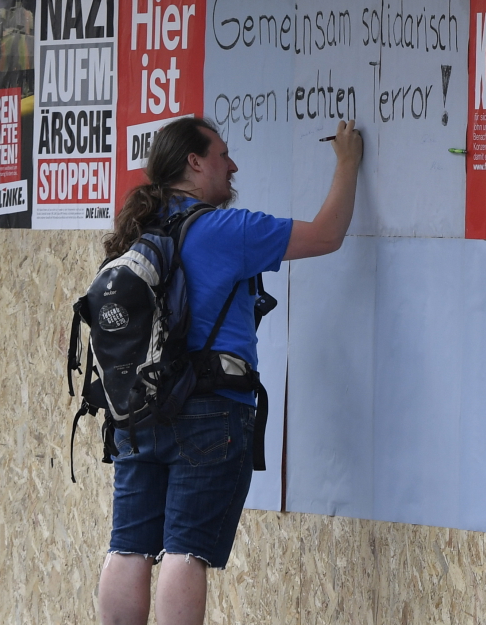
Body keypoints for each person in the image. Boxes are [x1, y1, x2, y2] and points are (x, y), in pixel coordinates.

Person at [97, 114, 362, 625]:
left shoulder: (140, 230)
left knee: (128, 546)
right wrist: (348, 162)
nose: (232, 164)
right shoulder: (227, 230)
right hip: (211, 412)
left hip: (138, 411)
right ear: (194, 163)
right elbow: (328, 234)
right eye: (222, 155)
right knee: (184, 550)